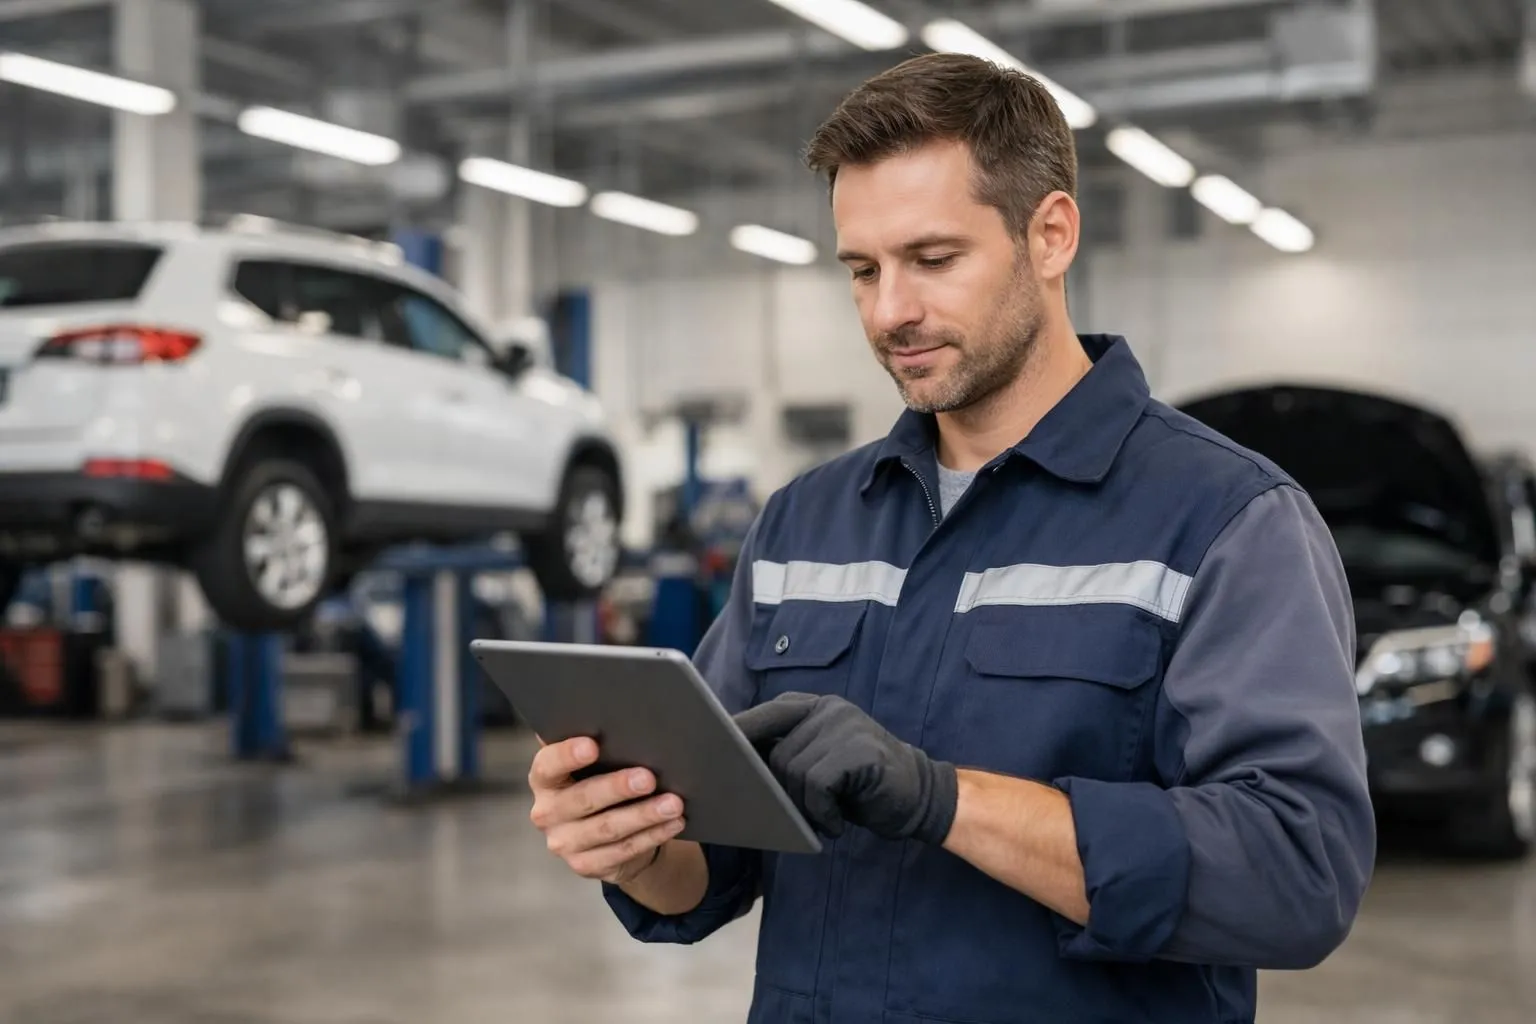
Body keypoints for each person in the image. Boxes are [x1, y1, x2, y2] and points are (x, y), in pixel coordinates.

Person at [527, 52, 1375, 1023]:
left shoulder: (1224, 522)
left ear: (1050, 235)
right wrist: (634, 841)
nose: (891, 311)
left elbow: (1297, 873)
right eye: (862, 269)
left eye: (933, 260)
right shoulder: (805, 523)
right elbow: (709, 866)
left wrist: (943, 800)